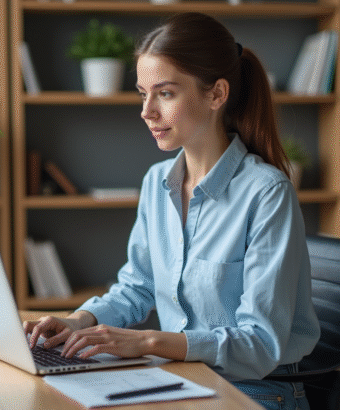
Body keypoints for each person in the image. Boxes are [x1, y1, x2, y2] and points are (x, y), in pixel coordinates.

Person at [24, 12, 320, 410]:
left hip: (257, 391)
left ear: (216, 94)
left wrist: (146, 342)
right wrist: (80, 320)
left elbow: (260, 343)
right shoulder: (156, 181)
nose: (147, 111)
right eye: (142, 93)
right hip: (183, 379)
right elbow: (138, 285)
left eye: (165, 94)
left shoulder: (267, 193)